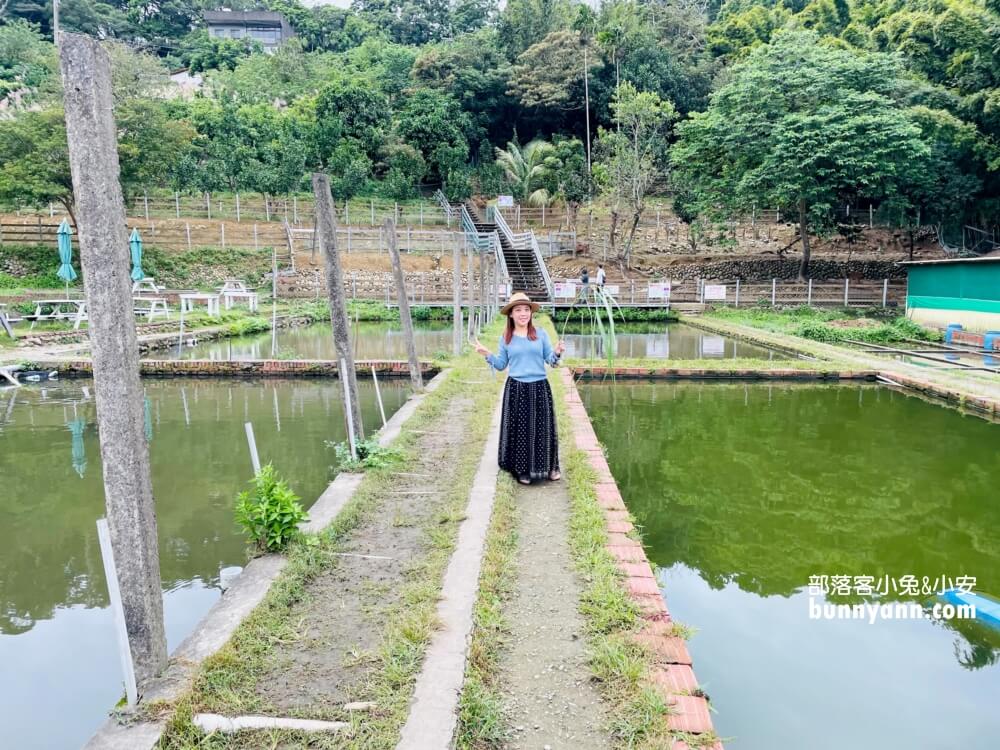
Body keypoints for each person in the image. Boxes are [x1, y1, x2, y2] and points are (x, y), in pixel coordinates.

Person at [474, 292, 565, 485]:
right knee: (521, 430)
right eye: (518, 310)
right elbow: (500, 365)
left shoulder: (540, 334)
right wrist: (487, 354)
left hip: (540, 386)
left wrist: (556, 353)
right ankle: (523, 470)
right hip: (516, 388)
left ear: (531, 313)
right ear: (511, 315)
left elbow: (551, 361)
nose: (523, 313)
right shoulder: (506, 338)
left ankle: (550, 467)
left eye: (526, 310)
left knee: (543, 428)